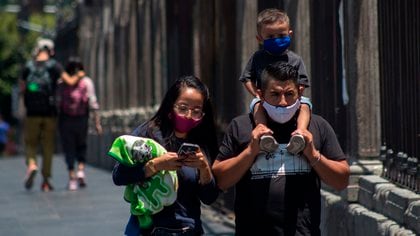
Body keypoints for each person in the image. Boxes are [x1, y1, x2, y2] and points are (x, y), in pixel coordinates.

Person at [213, 62, 350, 235]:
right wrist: (250, 152)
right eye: (275, 94)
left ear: (300, 92)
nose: (283, 102)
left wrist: (313, 154)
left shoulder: (317, 126)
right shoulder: (241, 126)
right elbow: (219, 180)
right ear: (261, 95)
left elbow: (342, 180)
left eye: (289, 94)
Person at [112, 75, 219, 236]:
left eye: (196, 111)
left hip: (188, 229)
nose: (189, 116)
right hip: (150, 230)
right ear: (170, 107)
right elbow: (119, 176)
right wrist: (155, 165)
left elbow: (209, 197)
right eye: (183, 108)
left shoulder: (201, 141)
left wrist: (204, 168)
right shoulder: (148, 134)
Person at [239, 8, 312, 154]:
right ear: (260, 39)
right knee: (257, 106)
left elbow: (302, 81)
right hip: (265, 100)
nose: (276, 39)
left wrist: (295, 96)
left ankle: (300, 132)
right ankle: (264, 133)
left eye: (281, 35)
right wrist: (257, 95)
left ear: (290, 34)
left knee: (305, 104)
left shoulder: (295, 59)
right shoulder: (257, 58)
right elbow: (246, 78)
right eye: (270, 36)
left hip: (292, 100)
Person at [20, 38, 78, 192]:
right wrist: (79, 75)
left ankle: (32, 164)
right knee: (47, 146)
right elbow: (70, 82)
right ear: (51, 51)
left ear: (37, 50)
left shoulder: (28, 66)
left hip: (32, 113)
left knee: (31, 143)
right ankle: (46, 181)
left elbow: (22, 89)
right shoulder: (54, 66)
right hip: (50, 112)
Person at [58, 57, 102, 191]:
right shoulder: (86, 82)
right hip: (81, 119)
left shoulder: (61, 82)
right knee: (81, 145)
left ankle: (72, 178)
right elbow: (93, 103)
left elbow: (57, 102)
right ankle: (81, 171)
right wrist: (97, 123)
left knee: (69, 148)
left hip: (66, 120)